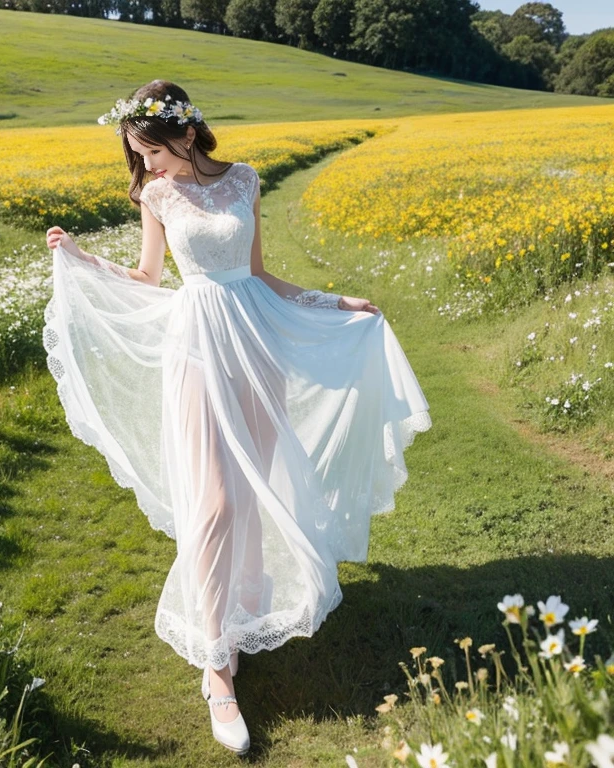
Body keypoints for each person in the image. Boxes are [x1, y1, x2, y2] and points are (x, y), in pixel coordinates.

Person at [43, 79, 432, 756]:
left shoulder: (246, 180)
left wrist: (334, 301)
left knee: (254, 490)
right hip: (196, 348)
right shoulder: (157, 196)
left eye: (152, 150)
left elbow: (260, 275)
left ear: (188, 133)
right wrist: (82, 259)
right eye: (138, 154)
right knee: (215, 501)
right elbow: (146, 277)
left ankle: (239, 608)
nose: (148, 165)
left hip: (258, 343)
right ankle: (216, 667)